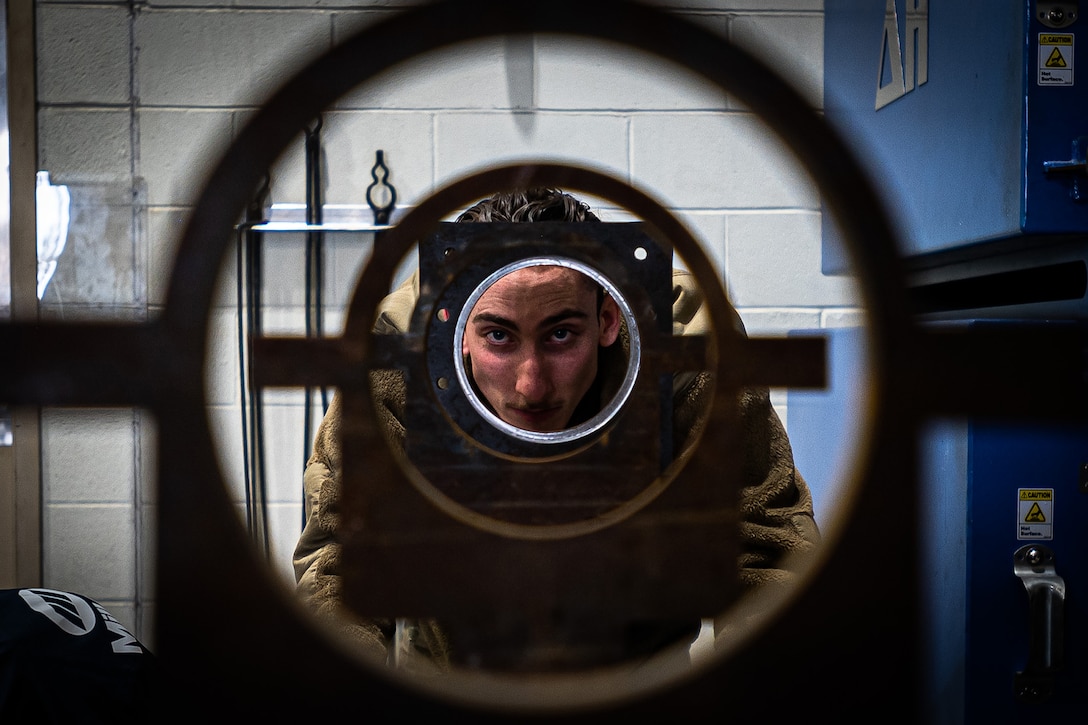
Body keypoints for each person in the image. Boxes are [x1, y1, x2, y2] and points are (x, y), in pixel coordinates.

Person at [292, 187, 821, 672]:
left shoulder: (691, 355)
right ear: (455, 328)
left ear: (609, 319)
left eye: (561, 334)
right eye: (499, 335)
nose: (532, 386)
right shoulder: (395, 360)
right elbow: (341, 566)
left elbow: (766, 553)